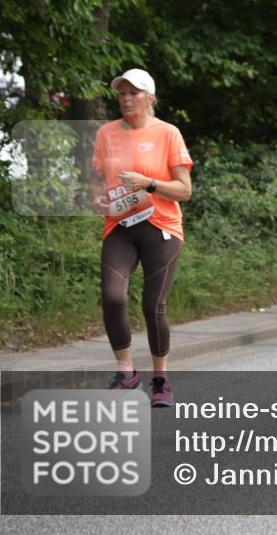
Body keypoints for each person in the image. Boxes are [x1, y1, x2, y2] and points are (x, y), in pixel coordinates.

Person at [91, 69, 193, 407]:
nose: (126, 99)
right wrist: (97, 197)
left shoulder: (168, 133)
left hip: (161, 226)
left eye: (133, 93)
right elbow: (97, 180)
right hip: (120, 227)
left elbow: (184, 190)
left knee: (153, 305)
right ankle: (127, 373)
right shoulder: (106, 133)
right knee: (112, 297)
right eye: (121, 93)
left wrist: (148, 183)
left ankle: (161, 380)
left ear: (150, 98)